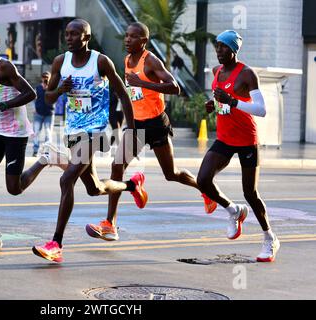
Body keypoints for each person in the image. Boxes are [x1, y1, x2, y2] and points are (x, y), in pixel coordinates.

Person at [85, 22, 217, 242]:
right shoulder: (127, 60)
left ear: (143, 41)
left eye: (133, 37)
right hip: (136, 124)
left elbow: (174, 87)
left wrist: (144, 84)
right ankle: (110, 224)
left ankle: (205, 189)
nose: (127, 40)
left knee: (171, 173)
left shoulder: (151, 60)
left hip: (156, 124)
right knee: (117, 166)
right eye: (126, 36)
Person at [32, 19, 146, 263]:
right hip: (73, 130)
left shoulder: (100, 61)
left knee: (67, 179)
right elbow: (49, 99)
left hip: (95, 130)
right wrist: (60, 89)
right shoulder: (60, 62)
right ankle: (132, 186)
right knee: (94, 188)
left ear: (87, 38)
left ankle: (56, 244)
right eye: (67, 34)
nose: (69, 38)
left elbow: (123, 95)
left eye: (75, 34)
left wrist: (131, 130)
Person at [0, 29, 68, 251]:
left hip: (16, 133)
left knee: (14, 189)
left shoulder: (4, 66)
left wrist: (1, 106)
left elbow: (31, 94)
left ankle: (45, 158)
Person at [197, 30, 279, 262]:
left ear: (234, 50)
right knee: (203, 180)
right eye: (217, 46)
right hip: (224, 138)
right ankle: (234, 210)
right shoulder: (216, 72)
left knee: (250, 193)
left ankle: (269, 238)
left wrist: (231, 101)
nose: (219, 51)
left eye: (223, 47)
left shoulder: (247, 74)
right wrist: (213, 104)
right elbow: (219, 99)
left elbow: (261, 110)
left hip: (246, 140)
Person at [32, 71, 55, 156]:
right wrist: (34, 108)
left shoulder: (52, 88)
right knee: (36, 132)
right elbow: (33, 99)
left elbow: (55, 99)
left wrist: (48, 89)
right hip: (38, 113)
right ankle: (35, 150)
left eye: (47, 77)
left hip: (49, 113)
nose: (45, 78)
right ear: (42, 78)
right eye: (44, 77)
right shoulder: (37, 88)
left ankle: (47, 151)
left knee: (48, 132)